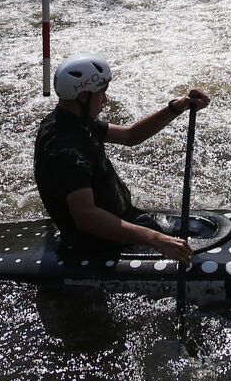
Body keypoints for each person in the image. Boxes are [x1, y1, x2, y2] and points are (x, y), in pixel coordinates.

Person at [34, 54, 210, 263]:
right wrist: (157, 239)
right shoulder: (65, 149)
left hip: (120, 222)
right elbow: (86, 217)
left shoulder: (74, 121)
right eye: (101, 93)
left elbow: (130, 135)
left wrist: (177, 107)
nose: (106, 100)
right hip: (97, 244)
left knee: (201, 229)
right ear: (83, 97)